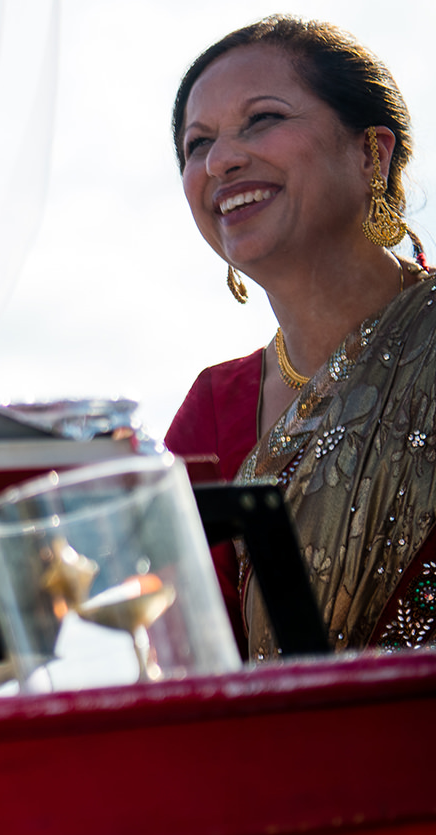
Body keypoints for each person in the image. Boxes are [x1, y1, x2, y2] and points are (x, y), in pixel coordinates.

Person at [164, 16, 436, 659]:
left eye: (262, 119)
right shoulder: (215, 412)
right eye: (197, 144)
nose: (221, 160)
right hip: (295, 755)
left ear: (372, 152)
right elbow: (195, 670)